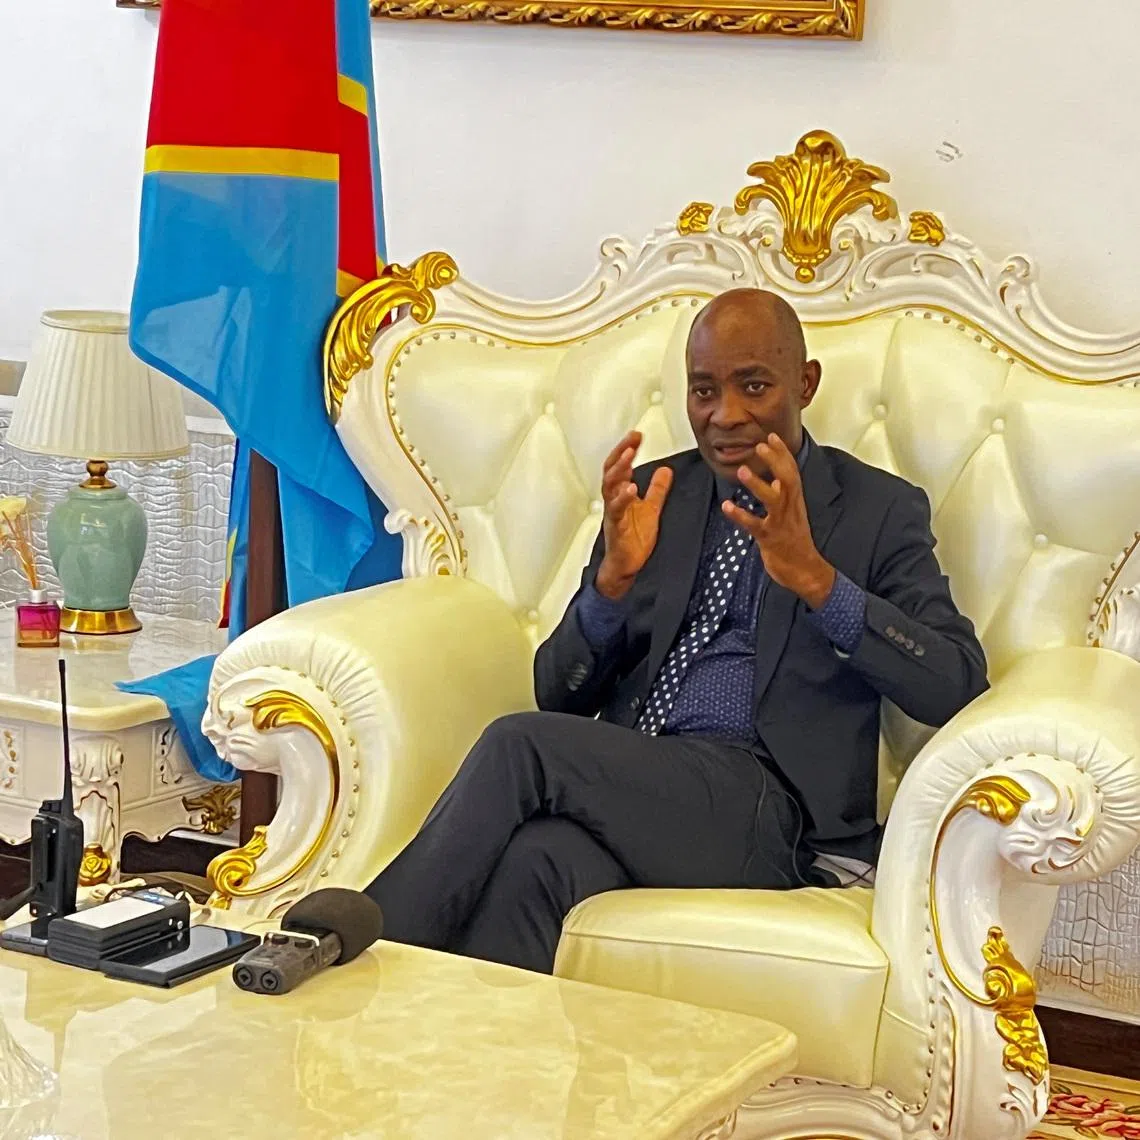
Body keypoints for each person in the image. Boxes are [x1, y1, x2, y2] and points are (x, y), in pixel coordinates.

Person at [365, 288, 988, 974]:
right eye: (703, 391)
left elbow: (954, 683)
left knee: (520, 746)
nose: (725, 415)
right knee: (538, 859)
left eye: (753, 386)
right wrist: (609, 591)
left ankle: (358, 953)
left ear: (804, 384)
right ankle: (471, 1065)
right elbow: (559, 695)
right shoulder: (656, 493)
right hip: (639, 784)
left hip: (767, 807)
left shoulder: (875, 507)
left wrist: (818, 581)